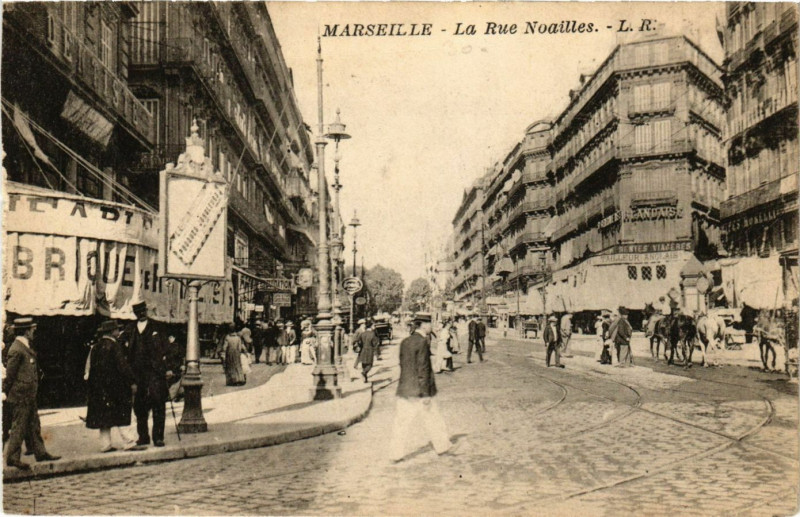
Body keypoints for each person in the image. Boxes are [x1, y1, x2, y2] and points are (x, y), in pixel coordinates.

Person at [389, 313, 456, 463]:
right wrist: (425, 394)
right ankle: (442, 446)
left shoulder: (405, 341)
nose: (431, 327)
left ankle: (395, 453)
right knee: (434, 419)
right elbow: (423, 369)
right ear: (424, 325)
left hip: (405, 388)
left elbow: (403, 364)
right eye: (430, 324)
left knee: (401, 423)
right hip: (420, 391)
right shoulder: (422, 342)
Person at [3, 318, 60, 469]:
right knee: (19, 427)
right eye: (32, 330)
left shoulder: (24, 346)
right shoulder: (17, 349)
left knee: (34, 425)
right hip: (21, 395)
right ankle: (12, 457)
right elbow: (10, 375)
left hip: (28, 394)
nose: (34, 333)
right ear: (26, 331)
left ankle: (40, 453)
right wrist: (6, 392)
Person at [85, 320, 141, 453]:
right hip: (116, 387)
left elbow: (92, 369)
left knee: (104, 418)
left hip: (100, 389)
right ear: (112, 332)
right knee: (124, 414)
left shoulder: (96, 347)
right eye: (117, 329)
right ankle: (129, 442)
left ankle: (105, 445)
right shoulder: (115, 346)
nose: (119, 331)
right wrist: (132, 381)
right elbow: (123, 367)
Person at [126, 301, 170, 447]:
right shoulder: (130, 328)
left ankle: (158, 437)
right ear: (135, 313)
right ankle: (143, 436)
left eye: (143, 311)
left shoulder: (157, 326)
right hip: (137, 374)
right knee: (139, 406)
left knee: (158, 403)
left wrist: (165, 366)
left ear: (146, 310)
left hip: (155, 373)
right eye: (138, 312)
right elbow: (123, 347)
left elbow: (167, 348)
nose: (141, 314)